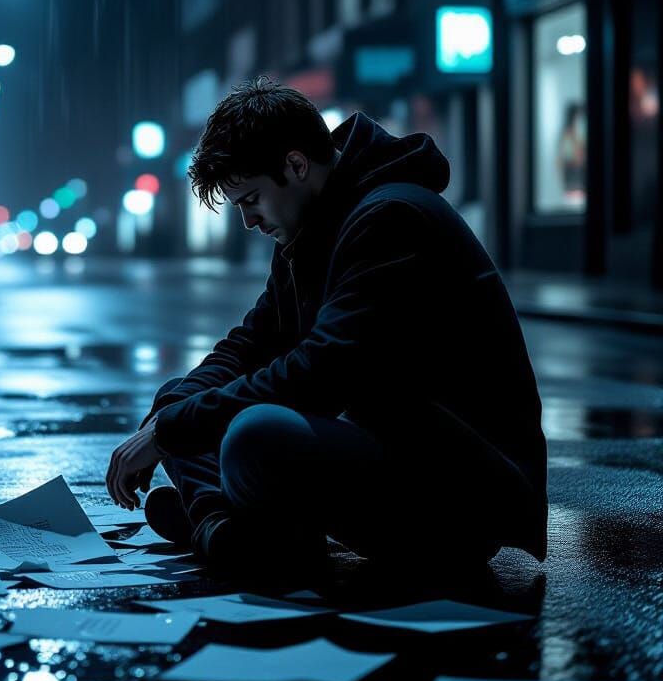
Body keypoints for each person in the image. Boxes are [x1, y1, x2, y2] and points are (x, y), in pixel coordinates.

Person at [105, 77, 548, 581]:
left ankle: (226, 520)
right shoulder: (312, 229)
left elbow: (320, 374)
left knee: (253, 436)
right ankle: (223, 528)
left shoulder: (391, 218)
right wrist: (166, 421)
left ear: (296, 166)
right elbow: (250, 343)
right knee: (179, 396)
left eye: (250, 199)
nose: (248, 221)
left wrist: (169, 434)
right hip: (391, 454)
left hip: (460, 494)